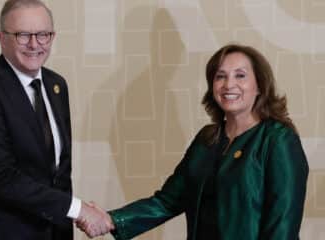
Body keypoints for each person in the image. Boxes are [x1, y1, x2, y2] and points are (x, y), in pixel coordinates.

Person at [77, 44, 309, 239]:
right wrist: (112, 219)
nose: (229, 85)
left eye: (240, 75)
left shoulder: (278, 140)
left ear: (259, 85)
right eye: (220, 76)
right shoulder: (206, 140)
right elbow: (168, 201)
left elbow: (282, 226)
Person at [0, 0, 112, 239]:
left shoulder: (57, 85)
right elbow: (0, 178)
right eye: (23, 35)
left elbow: (58, 175)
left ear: (53, 37)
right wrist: (78, 209)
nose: (34, 44)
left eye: (43, 34)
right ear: (2, 38)